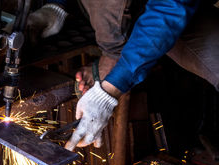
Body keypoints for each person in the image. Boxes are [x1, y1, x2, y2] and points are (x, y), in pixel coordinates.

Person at [26, 0, 219, 150]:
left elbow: (168, 11)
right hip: (107, 12)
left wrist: (109, 89)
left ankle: (114, 57)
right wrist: (57, 6)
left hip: (169, 9)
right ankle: (115, 54)